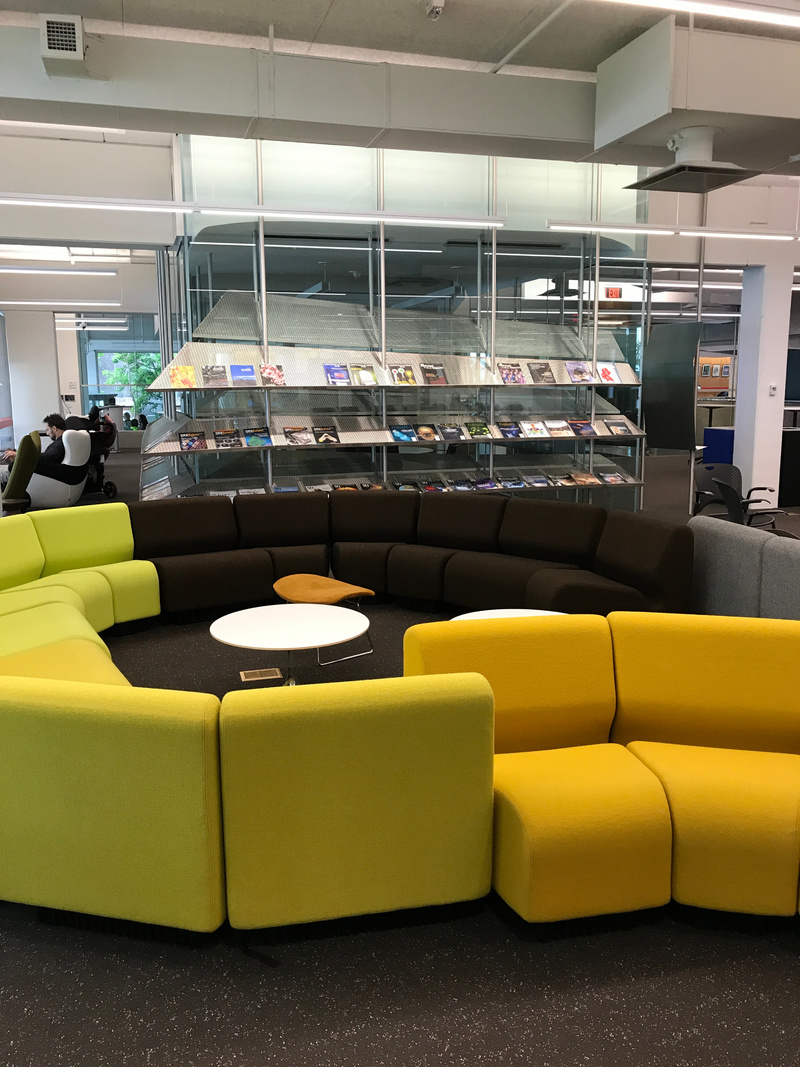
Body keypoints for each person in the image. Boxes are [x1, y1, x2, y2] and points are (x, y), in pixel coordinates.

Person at [2, 413, 67, 483]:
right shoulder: (62, 441)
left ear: (54, 428)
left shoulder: (60, 444)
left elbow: (46, 457)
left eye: (47, 430)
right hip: (34, 470)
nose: (47, 433)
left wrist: (19, 454)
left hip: (29, 474)